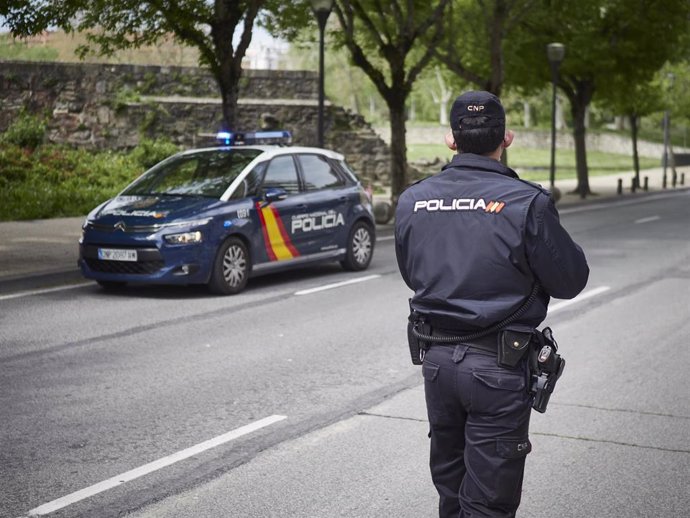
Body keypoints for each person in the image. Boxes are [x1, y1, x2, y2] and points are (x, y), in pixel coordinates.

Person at [394, 90, 589, 517]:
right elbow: (571, 280)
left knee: (452, 494)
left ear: (451, 140)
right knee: (488, 505)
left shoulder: (412, 201)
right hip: (499, 371)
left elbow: (413, 274)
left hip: (438, 364)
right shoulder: (526, 202)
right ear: (507, 138)